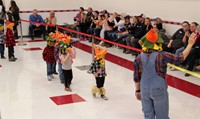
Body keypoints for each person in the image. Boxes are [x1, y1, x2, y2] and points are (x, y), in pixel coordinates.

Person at [134, 27, 196, 119]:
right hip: (159, 90)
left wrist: (138, 91)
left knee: (148, 116)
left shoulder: (138, 57)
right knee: (162, 116)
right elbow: (180, 58)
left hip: (144, 90)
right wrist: (190, 45)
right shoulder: (162, 55)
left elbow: (136, 77)